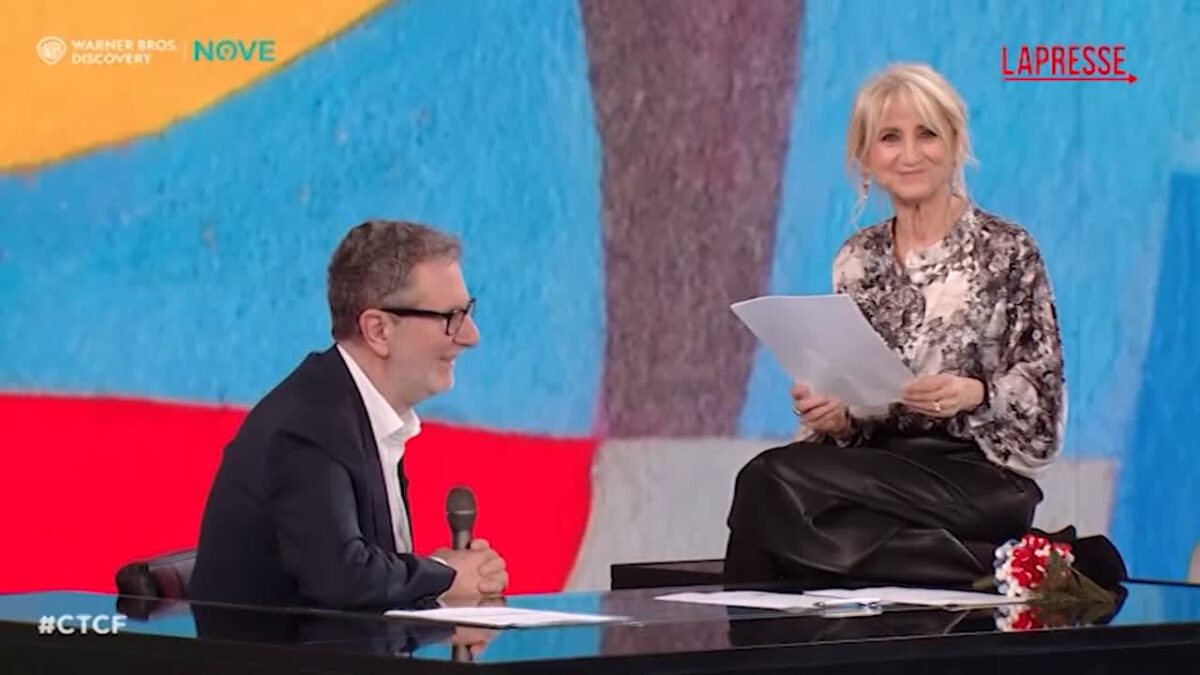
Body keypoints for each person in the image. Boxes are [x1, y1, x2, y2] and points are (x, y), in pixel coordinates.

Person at [724, 63, 1064, 588]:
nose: (909, 154)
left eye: (926, 134)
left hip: (977, 476)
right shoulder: (857, 259)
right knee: (783, 502)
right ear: (865, 157)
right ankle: (988, 567)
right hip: (877, 469)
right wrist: (835, 418)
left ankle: (740, 633)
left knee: (769, 482)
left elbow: (1045, 401)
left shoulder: (1006, 249)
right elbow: (854, 401)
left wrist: (975, 393)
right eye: (889, 138)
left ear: (955, 144)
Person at [190, 220, 508, 610]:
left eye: (467, 312)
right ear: (378, 330)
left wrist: (452, 580)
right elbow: (343, 579)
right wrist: (445, 575)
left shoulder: (350, 412)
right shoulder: (308, 426)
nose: (471, 335)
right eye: (450, 317)